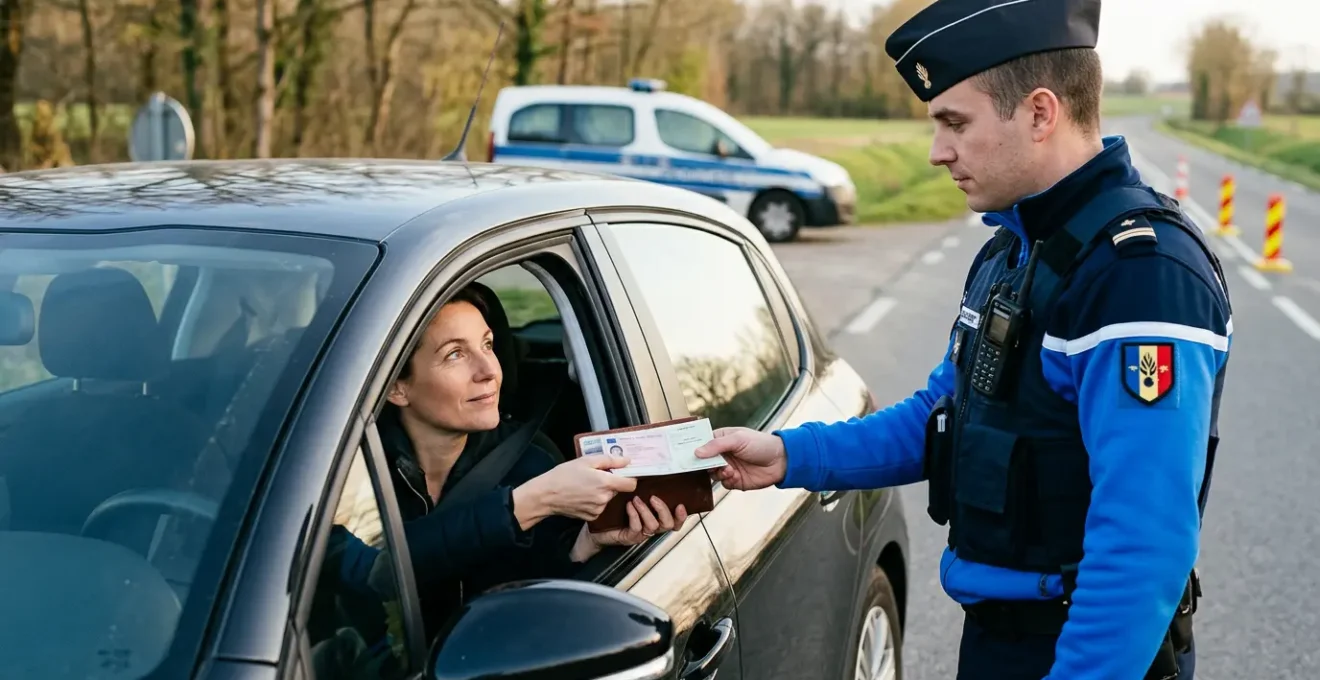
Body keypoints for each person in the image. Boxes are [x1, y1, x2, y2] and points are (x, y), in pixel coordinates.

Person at [695, 1, 1231, 679]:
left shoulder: (1138, 275)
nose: (937, 151)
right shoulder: (1015, 249)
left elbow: (1142, 545)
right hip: (1001, 641)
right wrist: (786, 455)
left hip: (1079, 653)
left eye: (955, 123)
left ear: (1040, 113)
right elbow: (943, 417)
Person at [315, 285, 687, 673]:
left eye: (488, 345)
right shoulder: (347, 470)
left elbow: (536, 599)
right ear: (396, 387)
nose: (490, 371)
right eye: (455, 354)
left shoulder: (533, 464)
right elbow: (371, 570)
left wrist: (585, 545)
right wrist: (529, 503)